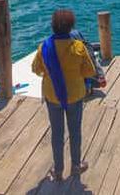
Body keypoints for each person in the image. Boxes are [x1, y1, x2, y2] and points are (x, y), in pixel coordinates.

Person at [32, 9, 97, 181]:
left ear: (53, 26)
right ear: (71, 27)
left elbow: (36, 69)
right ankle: (76, 165)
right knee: (75, 131)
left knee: (57, 133)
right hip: (75, 95)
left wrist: (50, 72)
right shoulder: (78, 47)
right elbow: (90, 71)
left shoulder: (44, 47)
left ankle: (58, 169)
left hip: (53, 95)